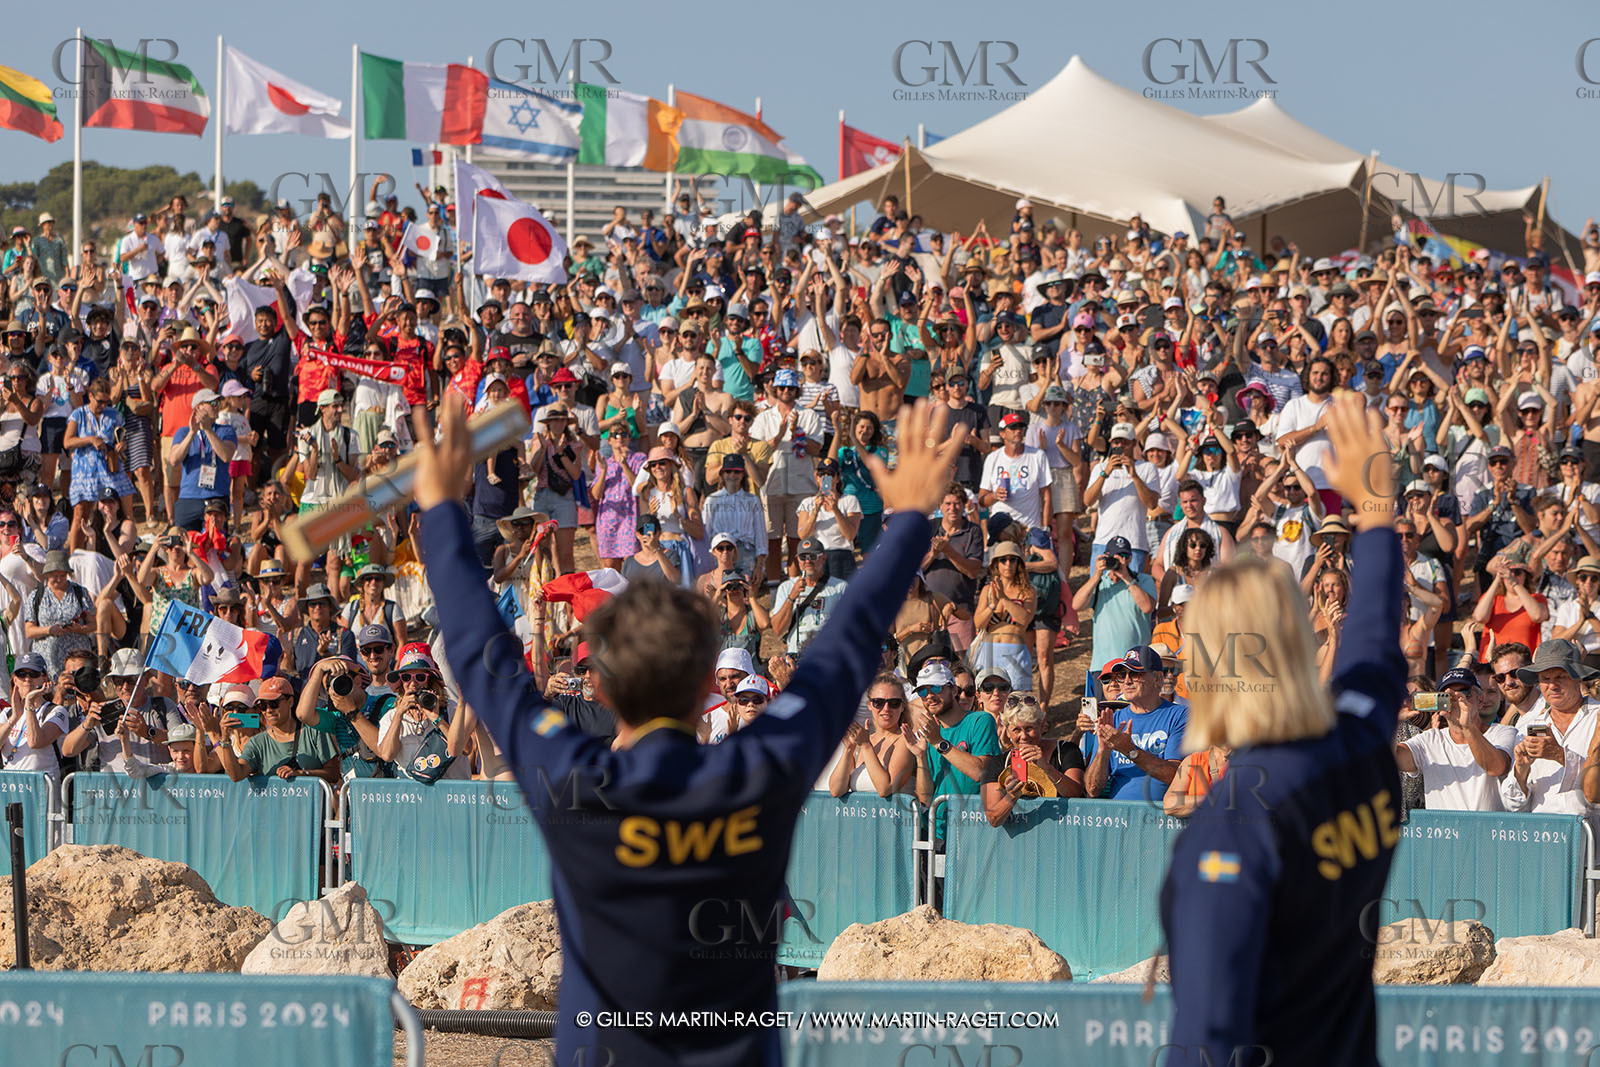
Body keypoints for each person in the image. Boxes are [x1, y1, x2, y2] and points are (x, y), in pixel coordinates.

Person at [409, 396, 964, 1066]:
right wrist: (907, 521)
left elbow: (480, 653)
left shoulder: (573, 773)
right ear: (709, 678)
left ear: (604, 686)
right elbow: (845, 650)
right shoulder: (761, 767)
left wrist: (444, 509)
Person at [1161, 391, 1406, 1065]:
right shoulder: (1362, 746)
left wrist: (1377, 514)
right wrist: (1377, 513)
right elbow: (1377, 638)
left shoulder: (1233, 818)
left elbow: (1208, 1036)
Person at [1502, 639, 1600, 820]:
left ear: (1577, 677)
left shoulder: (1597, 718)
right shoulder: (1527, 726)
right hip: (1546, 841)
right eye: (1545, 679)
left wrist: (1559, 755)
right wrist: (1520, 771)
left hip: (1593, 840)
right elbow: (1512, 806)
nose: (1552, 685)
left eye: (1560, 677)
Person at [1395, 666, 1514, 811]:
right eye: (1449, 697)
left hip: (1487, 831)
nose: (1458, 701)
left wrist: (1467, 726)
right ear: (1440, 702)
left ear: (1480, 700)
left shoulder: (1503, 733)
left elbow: (1496, 768)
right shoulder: (1430, 740)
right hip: (1445, 832)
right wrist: (1393, 721)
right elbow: (1393, 759)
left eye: (1465, 694)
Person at [980, 691, 1085, 825]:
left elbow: (1076, 793)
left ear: (1042, 726)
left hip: (1064, 835)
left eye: (1029, 728)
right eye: (1016, 730)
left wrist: (1047, 768)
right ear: (1007, 730)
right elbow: (993, 818)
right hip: (1023, 841)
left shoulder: (1065, 750)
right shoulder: (1000, 762)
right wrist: (1012, 796)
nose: (1023, 736)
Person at [827, 672, 915, 798]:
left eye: (894, 703)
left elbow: (885, 788)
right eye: (878, 702)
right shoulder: (862, 741)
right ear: (869, 705)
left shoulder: (906, 741)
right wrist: (849, 749)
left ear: (902, 707)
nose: (886, 708)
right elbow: (836, 790)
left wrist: (866, 746)